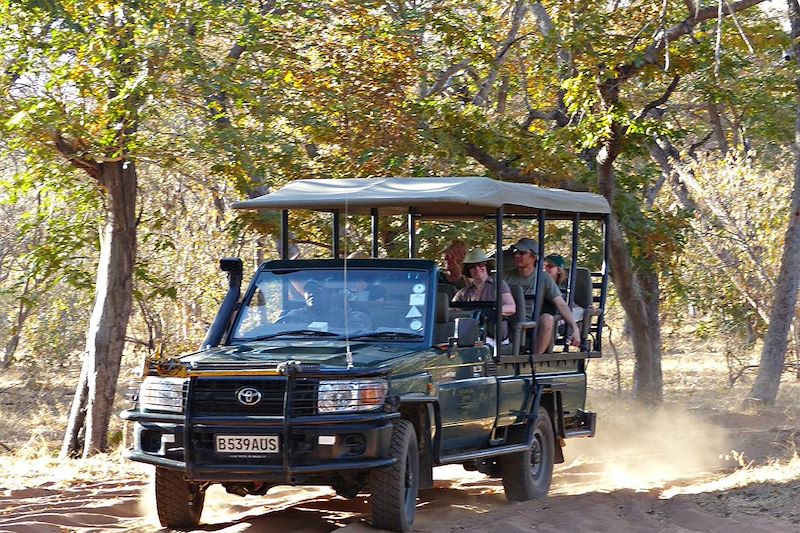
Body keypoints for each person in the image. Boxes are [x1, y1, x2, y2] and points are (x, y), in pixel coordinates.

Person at [503, 238, 579, 354]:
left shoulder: (543, 278)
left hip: (531, 325)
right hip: (506, 323)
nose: (517, 256)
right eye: (516, 252)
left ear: (533, 257)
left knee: (547, 319)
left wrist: (574, 328)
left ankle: (535, 360)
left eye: (522, 253)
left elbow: (561, 305)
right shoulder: (505, 276)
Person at [453, 248, 516, 341]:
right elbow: (449, 312)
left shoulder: (499, 285)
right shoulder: (463, 292)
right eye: (472, 266)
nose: (477, 268)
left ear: (487, 266)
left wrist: (489, 311)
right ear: (468, 270)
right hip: (468, 336)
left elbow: (511, 308)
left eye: (481, 264)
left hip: (494, 336)